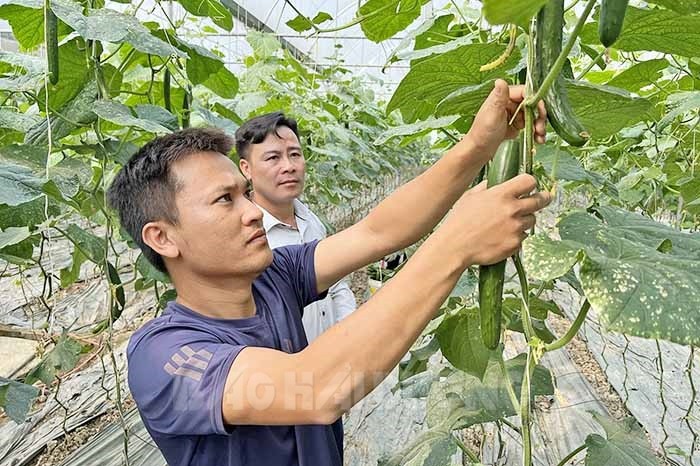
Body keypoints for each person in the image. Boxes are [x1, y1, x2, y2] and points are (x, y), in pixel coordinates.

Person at [107, 80, 549, 466]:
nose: (254, 213)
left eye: (246, 195)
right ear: (162, 238)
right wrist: (456, 243)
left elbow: (379, 231)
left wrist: (478, 145)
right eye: (226, 200)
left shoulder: (272, 277)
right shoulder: (163, 356)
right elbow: (316, 390)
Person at [236, 113, 357, 342]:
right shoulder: (243, 239)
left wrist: (347, 333)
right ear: (246, 168)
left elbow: (338, 283)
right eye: (273, 158)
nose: (288, 167)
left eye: (294, 154)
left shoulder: (310, 219)